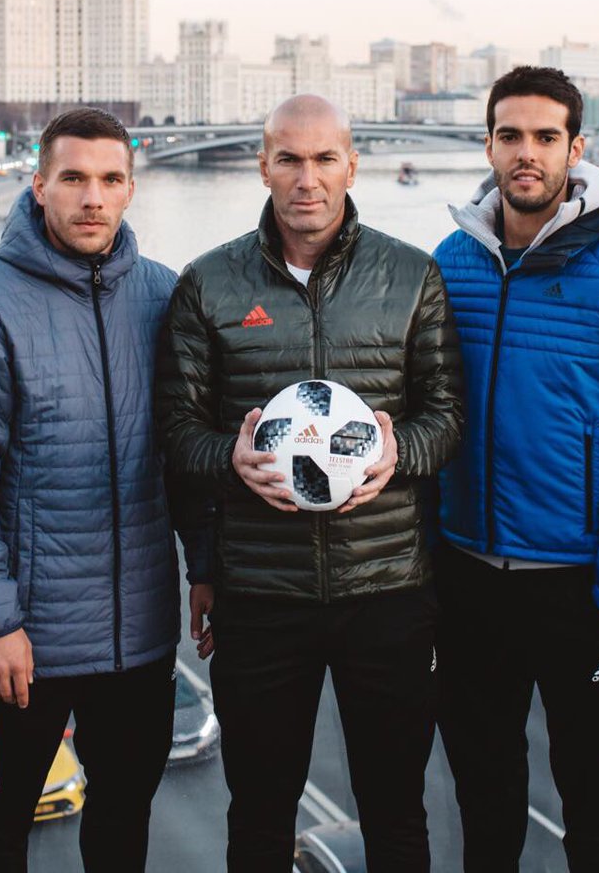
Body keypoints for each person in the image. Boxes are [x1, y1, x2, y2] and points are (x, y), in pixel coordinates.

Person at [156, 94, 462, 872]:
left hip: (388, 589)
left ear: (351, 165)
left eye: (325, 158)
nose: (307, 178)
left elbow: (449, 416)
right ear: (262, 165)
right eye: (289, 159)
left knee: (396, 813)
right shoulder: (208, 284)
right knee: (258, 817)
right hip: (262, 600)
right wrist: (231, 457)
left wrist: (402, 454)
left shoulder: (413, 275)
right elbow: (175, 435)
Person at [432, 66, 599, 872]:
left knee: (592, 802)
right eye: (510, 135)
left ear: (576, 149)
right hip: (468, 574)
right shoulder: (453, 260)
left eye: (546, 137)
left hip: (576, 586)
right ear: (488, 145)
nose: (527, 154)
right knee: (483, 794)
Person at [0, 108, 205, 872]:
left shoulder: (162, 294)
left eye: (110, 180)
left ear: (130, 189)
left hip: (142, 640)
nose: (93, 197)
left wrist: (206, 568)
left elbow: (184, 455)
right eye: (74, 179)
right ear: (39, 185)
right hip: (28, 643)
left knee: (122, 825)